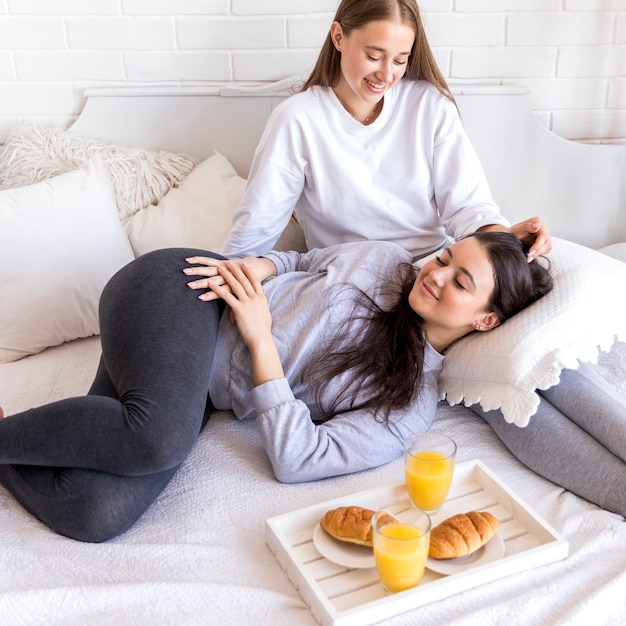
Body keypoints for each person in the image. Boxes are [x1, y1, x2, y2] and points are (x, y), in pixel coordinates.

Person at [0, 232, 551, 542]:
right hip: (186, 293)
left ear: (485, 321)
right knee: (157, 438)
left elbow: (298, 458)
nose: (435, 274)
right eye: (446, 257)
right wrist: (258, 268)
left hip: (191, 385)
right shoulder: (385, 263)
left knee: (95, 515)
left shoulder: (407, 405)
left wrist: (262, 341)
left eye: (461, 282)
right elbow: (301, 259)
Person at [217, 0, 552, 264]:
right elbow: (255, 231)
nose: (386, 74)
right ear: (338, 37)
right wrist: (228, 277)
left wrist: (507, 237)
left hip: (431, 272)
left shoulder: (429, 106)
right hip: (345, 276)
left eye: (400, 60)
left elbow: (468, 208)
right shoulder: (297, 119)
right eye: (374, 56)